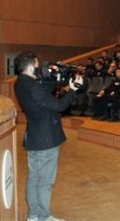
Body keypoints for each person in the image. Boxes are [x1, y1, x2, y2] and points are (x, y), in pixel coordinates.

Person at [14, 51, 82, 221]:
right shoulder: (34, 87)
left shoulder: (20, 83)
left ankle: (33, 215)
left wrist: (53, 78)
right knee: (45, 180)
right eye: (37, 65)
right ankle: (44, 216)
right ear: (31, 66)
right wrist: (73, 90)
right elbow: (59, 106)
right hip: (46, 139)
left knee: (33, 177)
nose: (39, 68)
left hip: (33, 137)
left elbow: (44, 90)